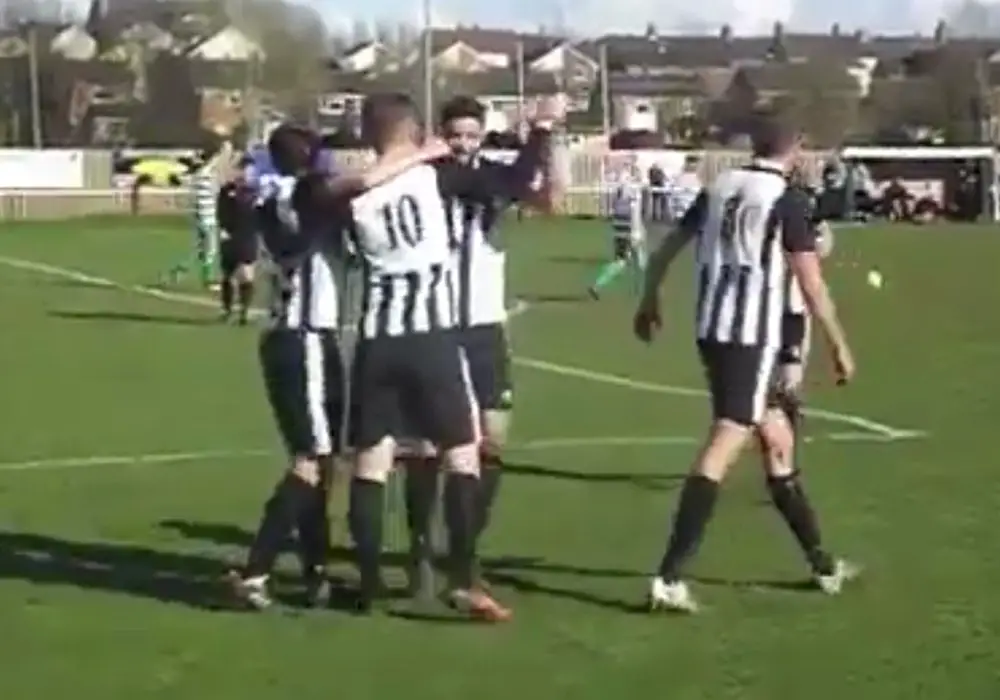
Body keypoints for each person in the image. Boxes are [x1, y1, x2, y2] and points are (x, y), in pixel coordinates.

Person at [325, 92, 557, 621]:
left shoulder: (353, 194)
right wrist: (540, 133)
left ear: (369, 137)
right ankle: (462, 578)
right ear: (416, 132)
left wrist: (390, 162)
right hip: (433, 336)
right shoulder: (438, 177)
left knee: (372, 460)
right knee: (461, 452)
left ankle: (365, 585)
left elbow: (329, 198)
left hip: (377, 339)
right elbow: (517, 184)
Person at [633, 115, 858, 614]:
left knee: (778, 441)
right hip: (751, 337)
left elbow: (666, 247)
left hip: (712, 328)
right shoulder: (786, 199)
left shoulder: (720, 186)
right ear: (796, 148)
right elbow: (812, 283)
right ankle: (669, 576)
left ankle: (823, 565)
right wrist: (839, 343)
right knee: (728, 437)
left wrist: (649, 298)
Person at [227, 123, 441, 611]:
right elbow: (355, 189)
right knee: (312, 458)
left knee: (323, 461)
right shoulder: (303, 192)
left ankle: (315, 571)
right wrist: (422, 155)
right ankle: (256, 571)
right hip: (302, 338)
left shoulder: (272, 194)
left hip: (305, 338)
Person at [400, 95, 560, 601]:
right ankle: (421, 545)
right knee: (429, 445)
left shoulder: (490, 176)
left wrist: (549, 141)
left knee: (493, 438)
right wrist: (538, 131)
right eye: (456, 136)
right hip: (439, 322)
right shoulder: (427, 176)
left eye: (472, 135)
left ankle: (465, 547)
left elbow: (547, 202)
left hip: (486, 324)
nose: (465, 145)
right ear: (440, 134)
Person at [589, 162, 648, 299]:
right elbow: (634, 212)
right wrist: (636, 231)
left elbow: (614, 213)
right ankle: (642, 290)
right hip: (632, 231)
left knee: (620, 261)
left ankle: (598, 284)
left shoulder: (618, 194)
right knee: (639, 262)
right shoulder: (633, 192)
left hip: (619, 231)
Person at [215, 171, 259, 324]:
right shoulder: (226, 191)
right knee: (228, 276)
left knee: (246, 275)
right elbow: (220, 212)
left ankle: (244, 311)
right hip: (230, 237)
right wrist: (222, 229)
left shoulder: (255, 193)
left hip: (248, 237)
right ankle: (227, 310)